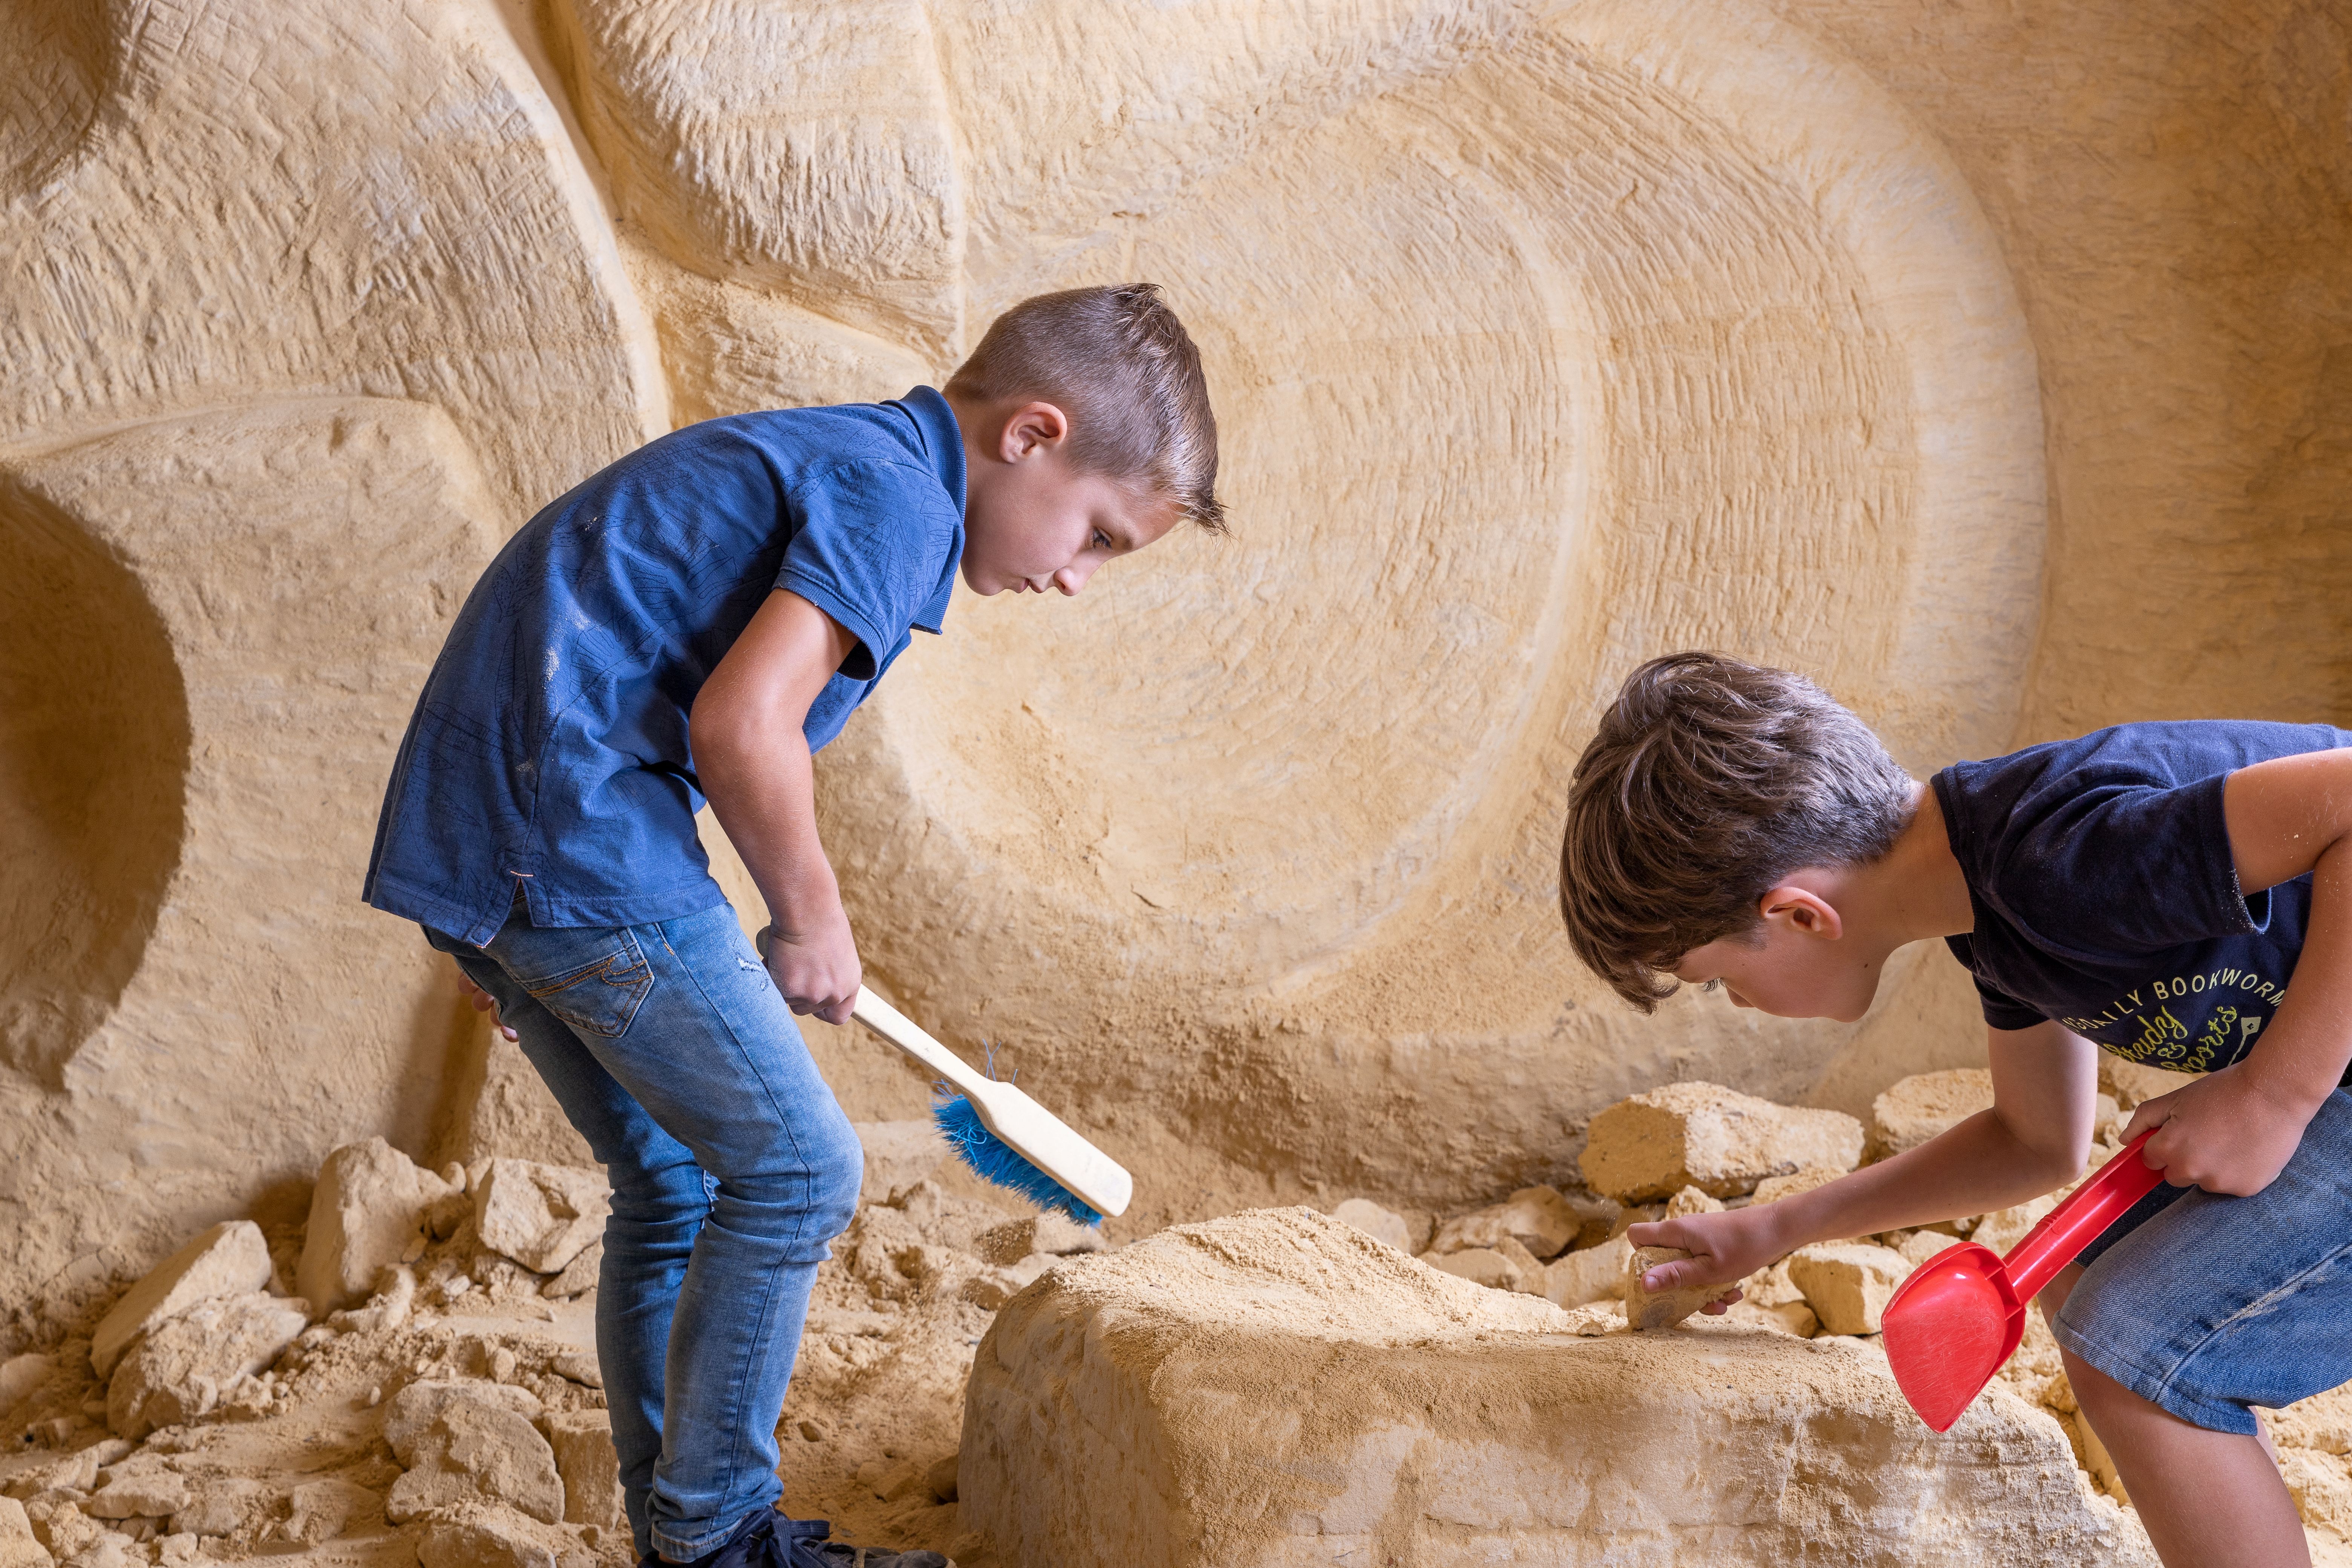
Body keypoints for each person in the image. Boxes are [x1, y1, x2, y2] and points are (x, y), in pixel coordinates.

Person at [362, 285, 1223, 1567]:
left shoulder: (844, 453)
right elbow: (741, 726)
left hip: (494, 837)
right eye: (1098, 535)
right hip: (570, 839)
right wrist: (812, 920)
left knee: (674, 1175)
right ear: (1033, 434)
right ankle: (716, 1536)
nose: (1075, 580)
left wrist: (497, 910)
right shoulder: (899, 498)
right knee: (802, 1170)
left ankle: (677, 1523)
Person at [1556, 651, 2352, 1568]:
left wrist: (2275, 1092)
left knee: (2130, 1337)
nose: (1736, 1004)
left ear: (1801, 915)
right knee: (2082, 1280)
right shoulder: (1994, 910)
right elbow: (2034, 1139)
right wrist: (1777, 1228)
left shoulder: (2057, 861)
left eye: (1718, 980)